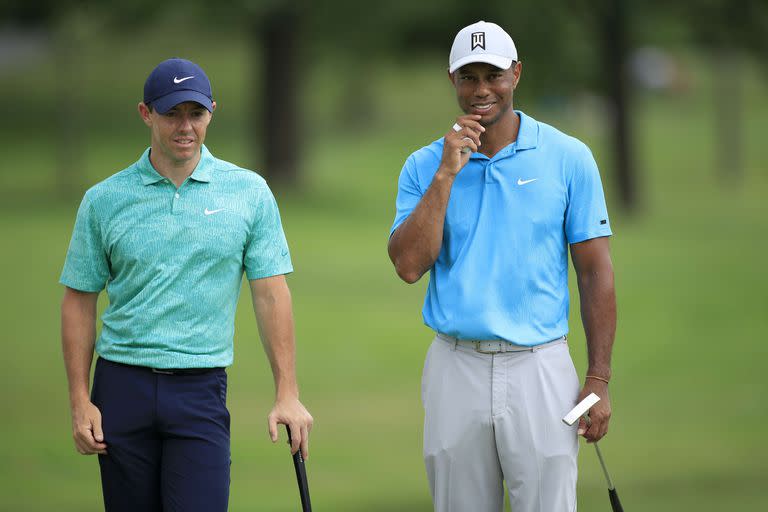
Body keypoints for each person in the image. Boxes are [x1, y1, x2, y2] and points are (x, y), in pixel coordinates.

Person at [60, 57, 313, 512]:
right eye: (171, 113)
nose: (185, 126)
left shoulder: (249, 193)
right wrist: (80, 400)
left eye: (195, 114)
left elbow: (271, 294)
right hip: (121, 386)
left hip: (200, 389)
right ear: (146, 113)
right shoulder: (104, 200)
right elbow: (79, 299)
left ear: (211, 111)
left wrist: (287, 393)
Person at [387, 21, 617, 512]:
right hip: (455, 365)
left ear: (516, 73)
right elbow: (408, 265)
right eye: (468, 77)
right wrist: (447, 173)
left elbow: (595, 270)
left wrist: (597, 380)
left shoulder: (568, 157)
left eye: (493, 74)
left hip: (541, 366)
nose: (481, 90)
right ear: (452, 80)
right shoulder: (424, 165)